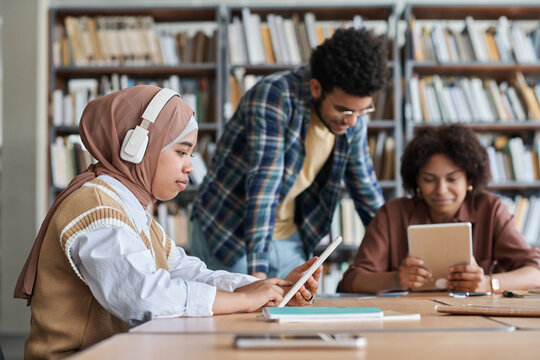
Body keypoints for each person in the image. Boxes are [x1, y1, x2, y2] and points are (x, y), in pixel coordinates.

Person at [14, 86, 320, 359]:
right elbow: (145, 297)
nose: (190, 166)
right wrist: (242, 300)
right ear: (136, 147)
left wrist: (262, 287)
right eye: (181, 151)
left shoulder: (131, 207)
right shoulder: (97, 208)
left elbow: (185, 271)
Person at [191, 28, 388, 279]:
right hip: (228, 231)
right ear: (316, 88)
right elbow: (265, 184)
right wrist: (258, 276)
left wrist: (400, 252)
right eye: (344, 110)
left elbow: (366, 189)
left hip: (289, 237)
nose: (352, 122)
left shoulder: (353, 117)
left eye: (362, 111)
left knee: (298, 313)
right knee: (242, 313)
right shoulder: (274, 95)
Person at [339, 124, 540, 294]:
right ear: (416, 179)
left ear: (469, 179)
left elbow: (535, 273)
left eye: (452, 179)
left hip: (473, 322)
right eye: (429, 179)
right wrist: (396, 280)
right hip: (408, 322)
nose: (441, 190)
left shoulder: (490, 209)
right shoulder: (392, 213)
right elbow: (349, 282)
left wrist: (488, 283)